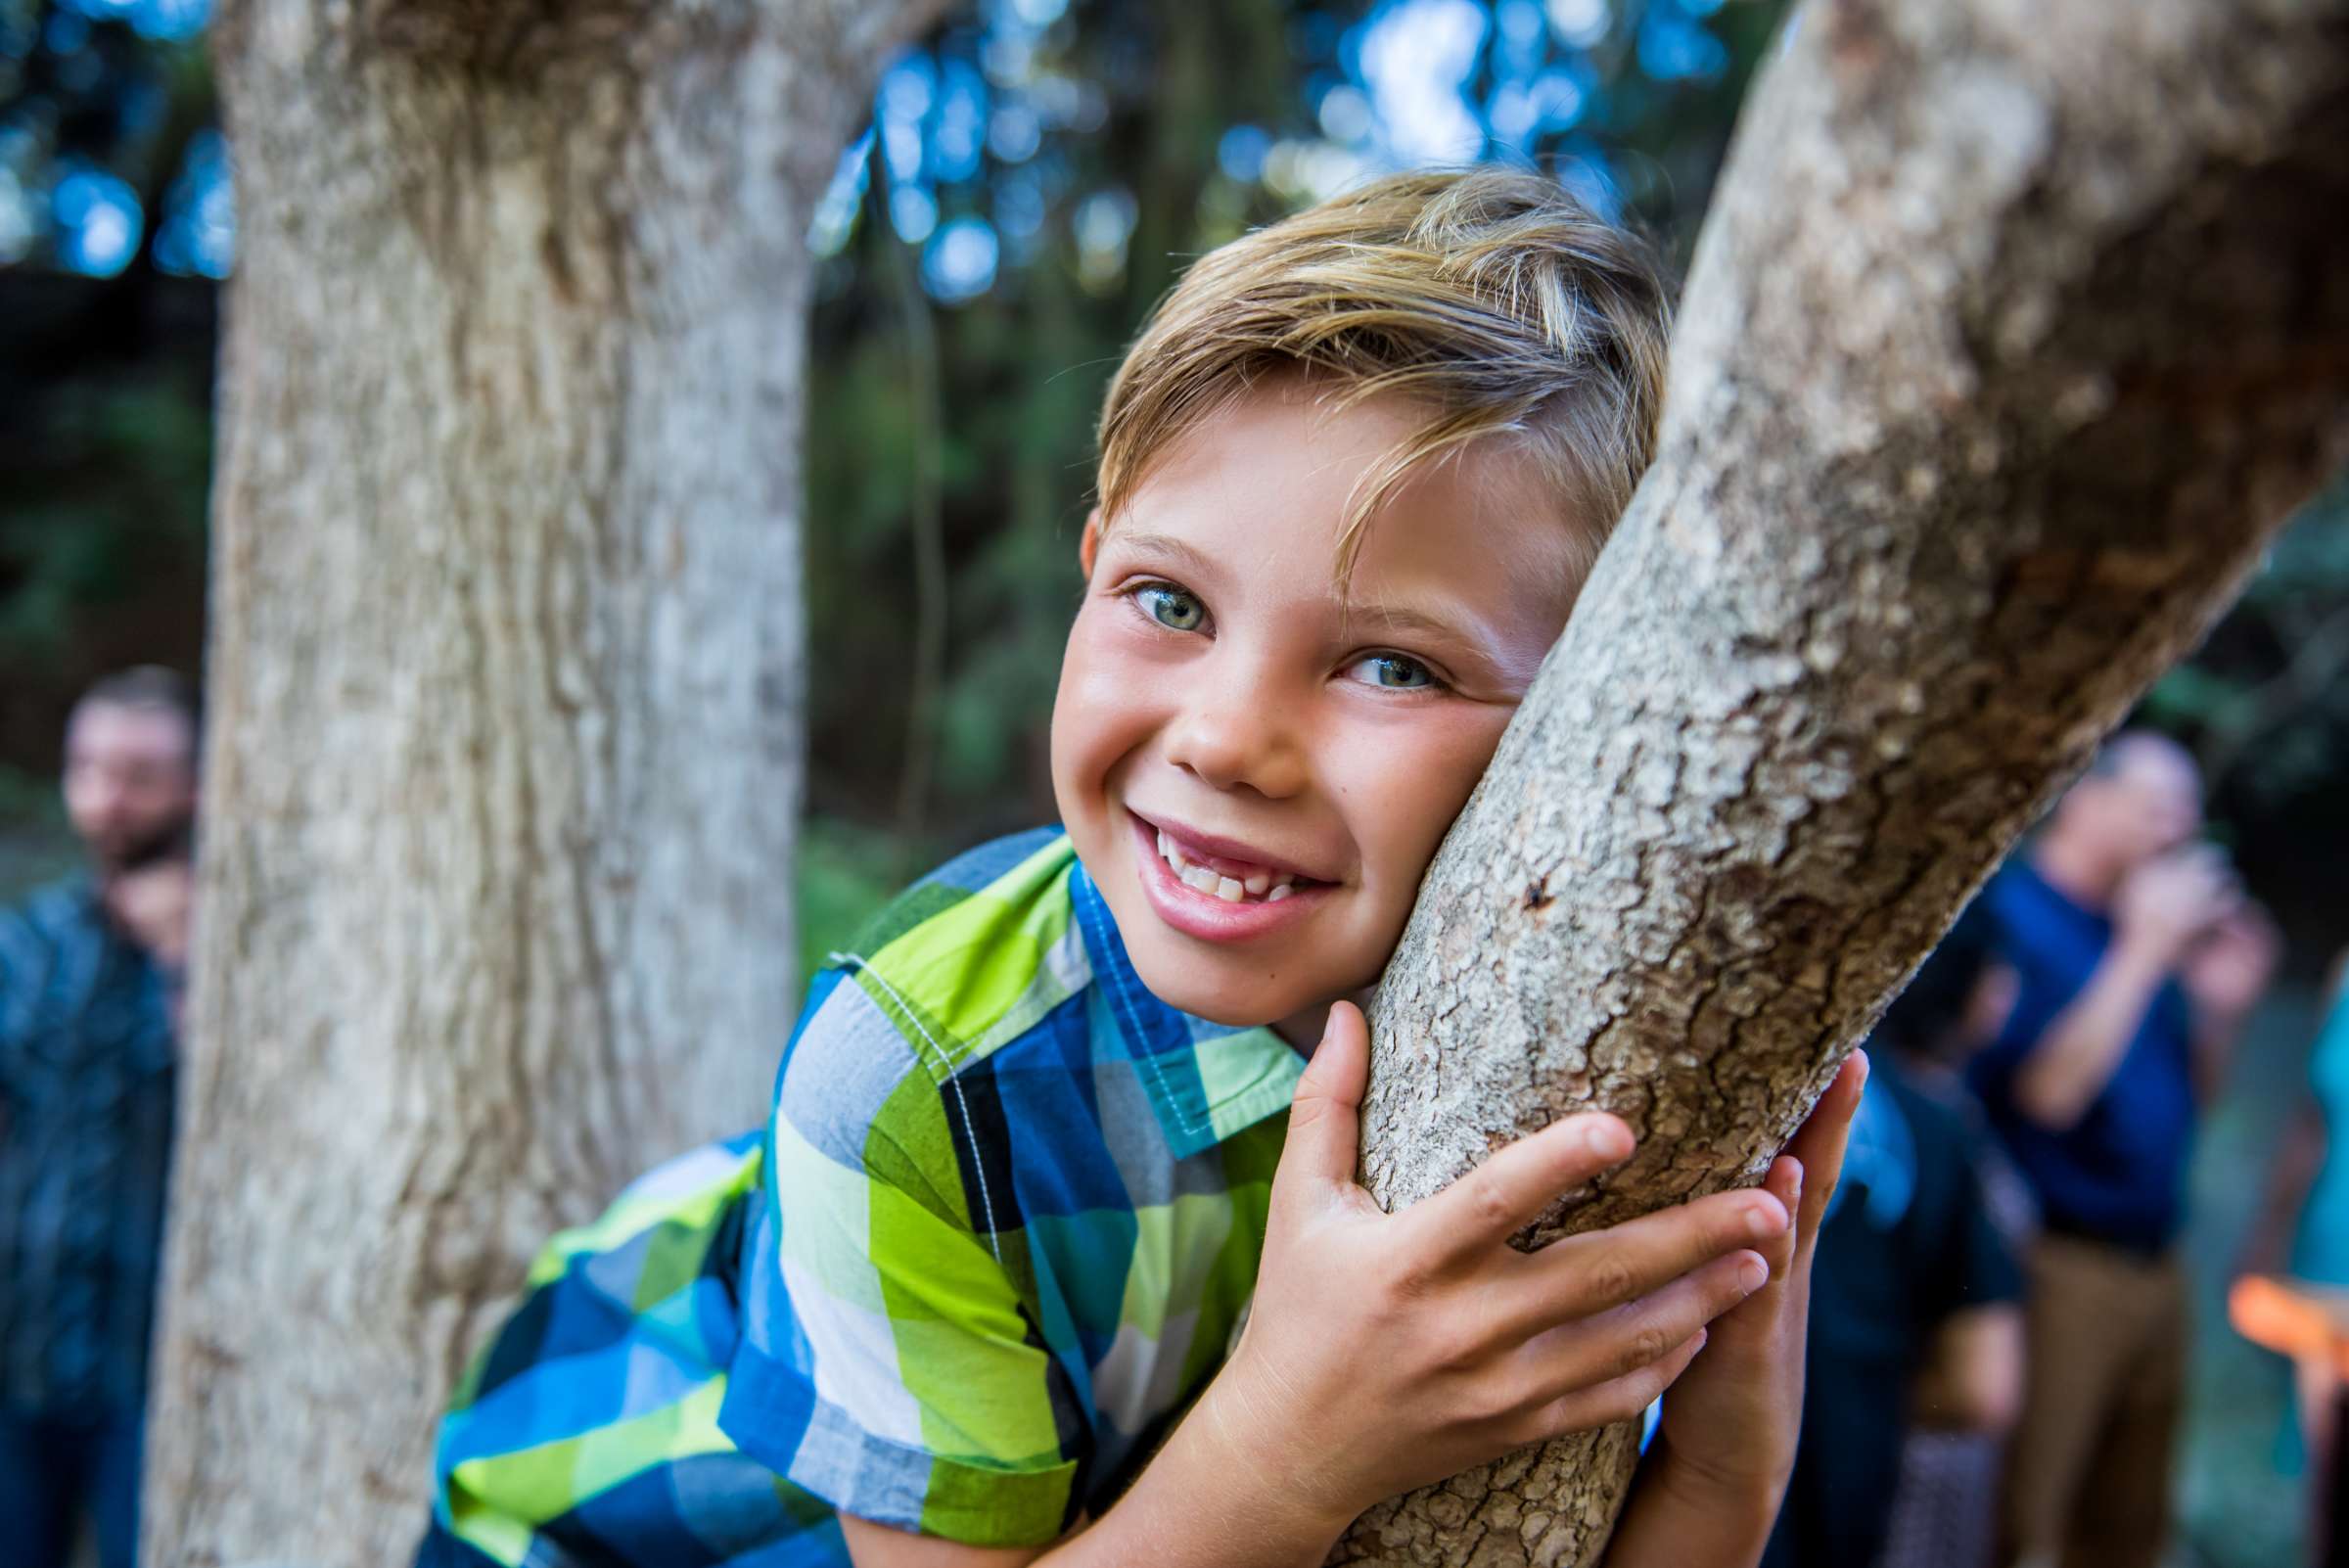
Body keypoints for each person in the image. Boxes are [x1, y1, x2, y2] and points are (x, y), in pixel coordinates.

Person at [415, 169, 1863, 1568]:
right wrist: (1297, 1442)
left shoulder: (1601, 1064)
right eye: (1169, 600)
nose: (1228, 739)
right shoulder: (916, 1080)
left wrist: (1729, 1458)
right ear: (1092, 563)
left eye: (1390, 663)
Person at [1967, 731, 2280, 1568]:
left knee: (2129, 1527)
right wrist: (2144, 950)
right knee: (2030, 1521)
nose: (2180, 828)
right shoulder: (2018, 915)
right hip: (2056, 1267)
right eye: (2158, 806)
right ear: (2084, 797)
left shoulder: (2145, 929)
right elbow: (2047, 1097)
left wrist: (2220, 1008)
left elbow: (2189, 1107)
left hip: (2158, 1266)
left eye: (2188, 809)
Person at [0, 666, 201, 1568]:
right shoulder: (31, 943)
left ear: (195, 785)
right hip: (20, 1359)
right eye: (90, 770)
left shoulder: (231, 951)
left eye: (140, 775)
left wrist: (182, 961)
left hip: (155, 1378)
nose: (108, 799)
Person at [1762, 916, 2026, 1568]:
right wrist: (1861, 1397)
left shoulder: (1736, 1103)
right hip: (1836, 1498)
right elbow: (1983, 1385)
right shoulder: (1940, 1133)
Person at [2236, 946, 2349, 1565]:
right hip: (2324, 1257)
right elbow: (2311, 1121)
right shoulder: (2345, 969)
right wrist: (2266, 1234)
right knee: (2324, 1486)